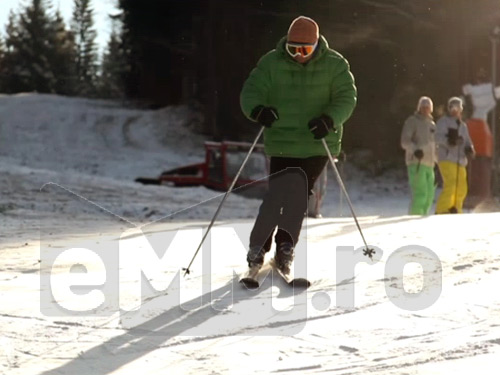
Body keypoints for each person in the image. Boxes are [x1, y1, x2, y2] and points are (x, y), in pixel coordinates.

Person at [240, 15, 357, 275]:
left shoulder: (336, 64)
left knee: (297, 196)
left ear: (317, 45)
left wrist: (329, 119)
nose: (299, 55)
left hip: (317, 142)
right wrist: (258, 111)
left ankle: (285, 247)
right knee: (277, 195)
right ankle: (258, 248)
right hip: (283, 140)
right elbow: (251, 91)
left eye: (305, 49)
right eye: (293, 49)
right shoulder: (271, 62)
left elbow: (346, 97)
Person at [435, 97, 475, 214]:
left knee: (462, 187)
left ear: (461, 109)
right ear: (449, 108)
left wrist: (469, 149)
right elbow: (437, 137)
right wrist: (449, 141)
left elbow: (468, 141)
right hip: (447, 158)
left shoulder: (463, 125)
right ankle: (442, 209)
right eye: (452, 107)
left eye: (457, 107)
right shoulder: (443, 121)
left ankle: (456, 208)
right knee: (451, 183)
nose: (455, 110)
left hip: (460, 160)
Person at [400, 96, 437, 215]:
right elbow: (405, 141)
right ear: (419, 108)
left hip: (429, 163)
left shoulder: (432, 124)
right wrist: (415, 150)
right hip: (417, 161)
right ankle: (414, 217)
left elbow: (434, 144)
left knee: (430, 193)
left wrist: (438, 159)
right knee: (420, 192)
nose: (425, 109)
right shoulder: (412, 121)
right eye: (423, 107)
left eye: (428, 107)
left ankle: (423, 216)